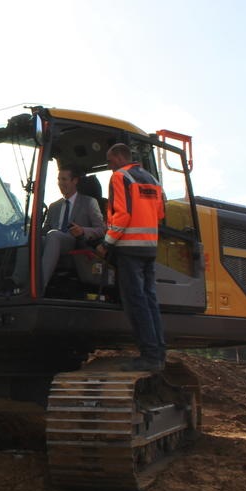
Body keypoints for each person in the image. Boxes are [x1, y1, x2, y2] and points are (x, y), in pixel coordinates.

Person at [95, 143, 167, 372]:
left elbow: (122, 214)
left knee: (135, 302)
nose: (108, 166)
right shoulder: (152, 180)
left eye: (108, 161)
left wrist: (107, 242)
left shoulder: (120, 177)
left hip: (129, 249)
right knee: (149, 301)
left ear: (118, 157)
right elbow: (159, 214)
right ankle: (158, 353)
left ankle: (149, 356)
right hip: (149, 248)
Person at [40, 166, 105, 288]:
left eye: (64, 179)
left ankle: (39, 286)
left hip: (74, 241)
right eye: (59, 179)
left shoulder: (89, 202)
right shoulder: (54, 206)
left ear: (75, 181)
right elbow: (45, 230)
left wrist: (82, 230)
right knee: (30, 238)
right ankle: (17, 283)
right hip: (52, 240)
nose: (60, 183)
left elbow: (101, 230)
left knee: (53, 235)